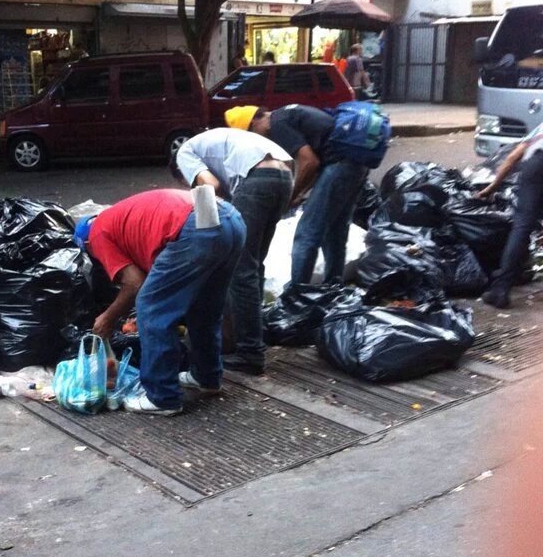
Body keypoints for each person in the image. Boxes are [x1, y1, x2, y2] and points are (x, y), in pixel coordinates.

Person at [74, 189, 246, 414]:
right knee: (205, 306)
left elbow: (135, 283)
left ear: (85, 242)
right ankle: (206, 377)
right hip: (228, 217)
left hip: (194, 227)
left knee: (152, 308)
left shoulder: (96, 234)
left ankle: (162, 396)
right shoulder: (118, 217)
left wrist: (108, 317)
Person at [174, 127, 294, 375]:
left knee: (240, 269)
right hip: (284, 177)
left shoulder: (184, 153)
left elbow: (211, 186)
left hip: (257, 177)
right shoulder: (208, 145)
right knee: (254, 265)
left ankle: (249, 351)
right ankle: (253, 338)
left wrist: (207, 234)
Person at [225, 105, 368, 285]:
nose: (259, 139)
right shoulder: (288, 114)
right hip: (356, 164)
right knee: (335, 230)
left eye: (252, 133)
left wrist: (291, 195)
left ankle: (297, 296)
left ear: (254, 122)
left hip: (339, 165)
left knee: (306, 233)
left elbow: (309, 162)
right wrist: (301, 193)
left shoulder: (277, 124)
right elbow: (315, 161)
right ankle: (333, 287)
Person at [477, 122, 543, 308]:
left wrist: (491, 187)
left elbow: (513, 156)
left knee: (522, 226)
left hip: (537, 166)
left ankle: (500, 290)